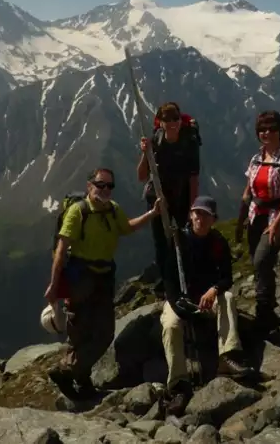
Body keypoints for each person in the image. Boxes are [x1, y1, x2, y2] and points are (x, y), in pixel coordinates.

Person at [45, 168, 161, 399]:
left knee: (98, 332)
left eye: (110, 186)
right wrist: (54, 285)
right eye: (100, 185)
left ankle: (77, 376)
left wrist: (153, 213)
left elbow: (127, 228)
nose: (106, 190)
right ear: (90, 186)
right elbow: (60, 250)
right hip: (82, 278)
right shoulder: (78, 212)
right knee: (87, 332)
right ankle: (67, 373)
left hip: (103, 277)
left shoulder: (112, 209)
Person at [160, 196, 252, 416]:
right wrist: (178, 306)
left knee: (227, 298)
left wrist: (213, 290)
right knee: (171, 325)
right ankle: (178, 384)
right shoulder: (177, 241)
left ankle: (227, 356)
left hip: (206, 299)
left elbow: (226, 277)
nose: (200, 218)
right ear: (191, 215)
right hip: (179, 299)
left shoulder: (218, 242)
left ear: (213, 219)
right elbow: (168, 279)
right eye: (197, 213)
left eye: (205, 214)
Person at [235, 111, 280, 331]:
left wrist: (278, 224)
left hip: (276, 217)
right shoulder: (256, 158)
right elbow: (248, 190)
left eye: (271, 128)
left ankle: (264, 312)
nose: (267, 133)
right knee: (258, 262)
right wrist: (241, 219)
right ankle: (267, 305)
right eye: (262, 129)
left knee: (262, 260)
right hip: (256, 216)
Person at [137, 102, 201, 290]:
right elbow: (141, 176)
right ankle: (167, 281)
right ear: (160, 122)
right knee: (160, 240)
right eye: (168, 119)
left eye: (176, 118)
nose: (173, 123)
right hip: (157, 197)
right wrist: (145, 154)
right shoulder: (155, 141)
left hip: (181, 196)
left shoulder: (189, 142)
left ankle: (187, 277)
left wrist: (192, 207)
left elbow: (194, 178)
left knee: (184, 235)